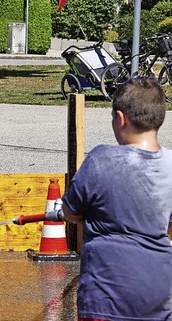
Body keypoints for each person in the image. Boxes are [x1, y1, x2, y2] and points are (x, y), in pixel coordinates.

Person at [48, 77, 172, 320]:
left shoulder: (101, 159)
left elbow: (71, 212)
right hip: (159, 290)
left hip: (107, 292)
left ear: (120, 118)